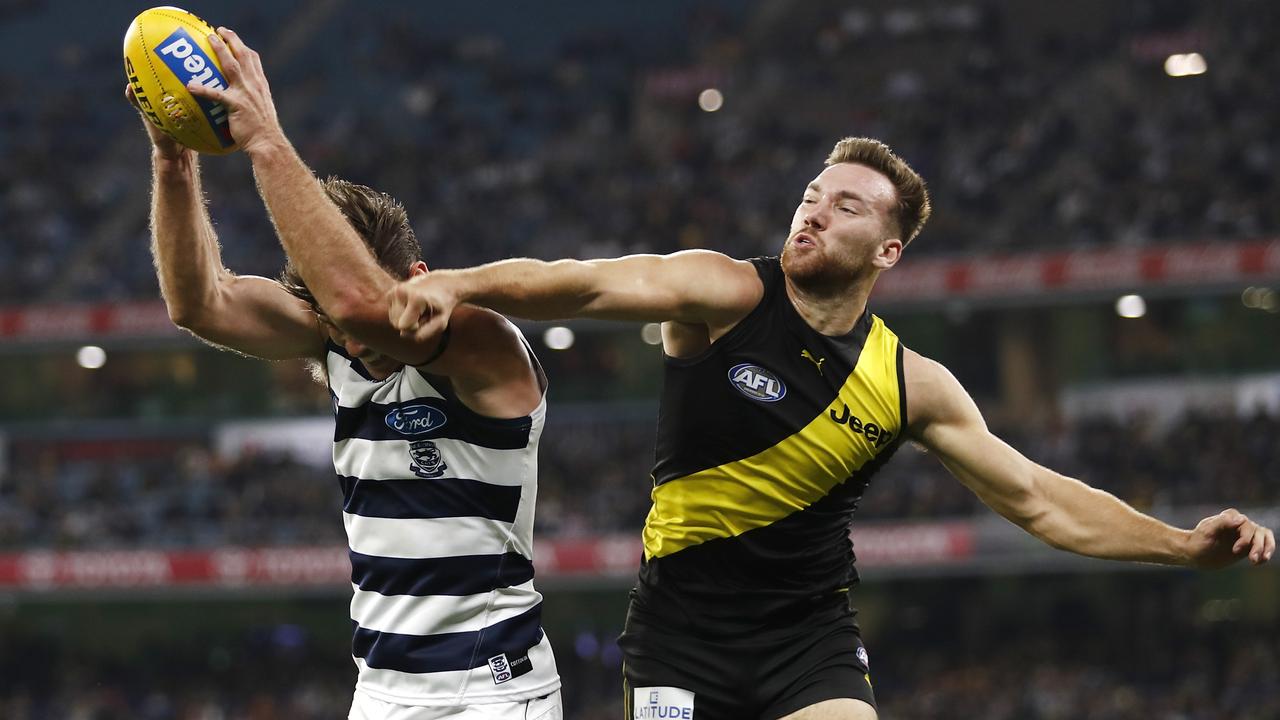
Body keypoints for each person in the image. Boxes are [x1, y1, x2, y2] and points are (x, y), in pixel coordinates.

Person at [386, 136, 1276, 720]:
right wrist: (457, 283)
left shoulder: (910, 385)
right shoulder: (728, 294)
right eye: (812, 194)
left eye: (847, 206)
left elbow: (1040, 500)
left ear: (888, 251)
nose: (813, 210)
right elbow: (580, 282)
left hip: (805, 644)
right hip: (677, 638)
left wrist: (1182, 547)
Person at [131, 28, 562, 720]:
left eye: (349, 320)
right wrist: (173, 161)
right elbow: (199, 303)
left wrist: (266, 139)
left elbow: (360, 307)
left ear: (420, 279)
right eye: (331, 328)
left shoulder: (485, 342)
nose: (353, 343)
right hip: (381, 691)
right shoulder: (335, 338)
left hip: (489, 691)